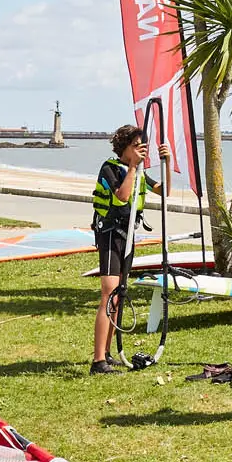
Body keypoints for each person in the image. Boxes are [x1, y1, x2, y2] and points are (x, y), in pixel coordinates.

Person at [90, 124, 166, 374]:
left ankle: (108, 352)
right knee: (109, 294)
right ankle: (98, 360)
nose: (140, 151)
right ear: (124, 148)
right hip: (111, 234)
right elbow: (122, 196)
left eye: (142, 147)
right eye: (136, 147)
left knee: (119, 295)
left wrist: (165, 163)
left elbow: (164, 191)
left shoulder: (141, 173)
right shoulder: (110, 168)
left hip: (128, 236)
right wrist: (133, 166)